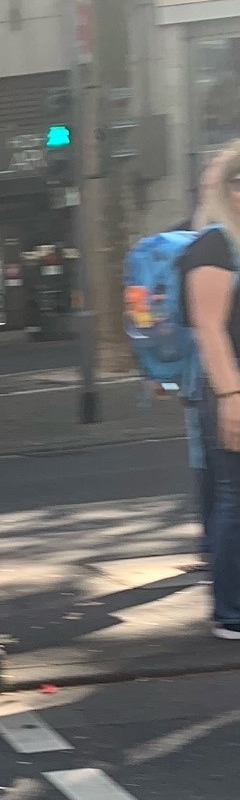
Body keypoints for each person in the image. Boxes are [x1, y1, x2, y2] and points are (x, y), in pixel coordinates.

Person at [180, 141, 240, 638]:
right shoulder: (215, 246)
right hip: (229, 387)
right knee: (234, 497)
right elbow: (209, 326)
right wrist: (231, 398)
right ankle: (231, 611)